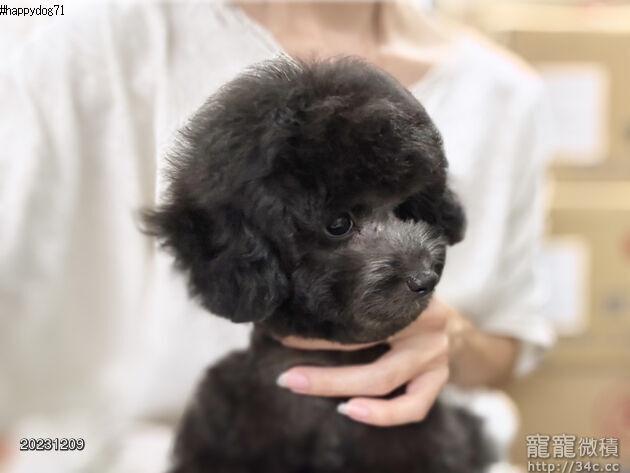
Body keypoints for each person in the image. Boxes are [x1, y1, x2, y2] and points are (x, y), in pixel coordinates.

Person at [0, 1, 555, 471]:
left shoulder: (506, 93)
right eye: (341, 225)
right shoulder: (86, 45)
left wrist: (454, 339)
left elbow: (511, 342)